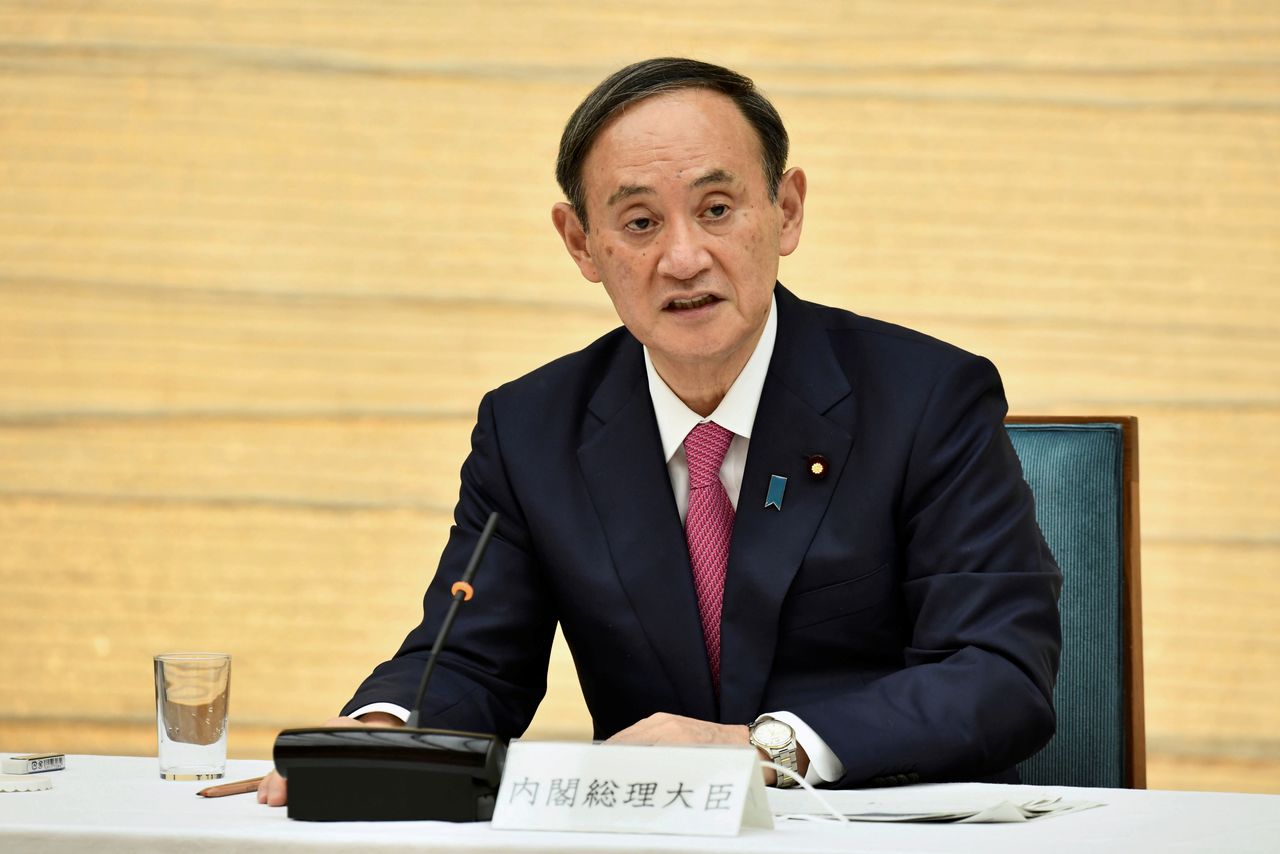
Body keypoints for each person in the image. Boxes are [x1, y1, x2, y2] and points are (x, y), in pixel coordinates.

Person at [259, 57, 1061, 806]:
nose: (684, 257)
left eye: (717, 210)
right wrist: (380, 739)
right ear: (582, 245)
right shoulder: (531, 429)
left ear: (784, 211)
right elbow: (468, 659)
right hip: (656, 836)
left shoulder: (925, 399)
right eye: (639, 223)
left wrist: (766, 748)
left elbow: (995, 674)